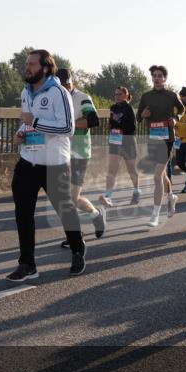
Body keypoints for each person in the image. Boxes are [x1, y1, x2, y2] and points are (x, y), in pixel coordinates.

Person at [7, 50, 86, 282]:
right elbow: (27, 124)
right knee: (23, 214)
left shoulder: (59, 93)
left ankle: (77, 248)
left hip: (55, 164)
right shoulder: (26, 92)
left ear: (45, 67)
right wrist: (20, 134)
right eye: (26, 64)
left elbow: (68, 128)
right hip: (27, 162)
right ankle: (27, 264)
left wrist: (35, 122)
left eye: (32, 64)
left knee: (65, 211)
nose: (27, 67)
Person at [57, 69, 106, 246]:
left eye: (67, 84)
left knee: (72, 198)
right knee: (64, 199)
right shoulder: (55, 98)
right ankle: (82, 227)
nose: (65, 88)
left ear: (72, 82)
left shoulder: (82, 98)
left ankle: (93, 218)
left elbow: (93, 120)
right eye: (62, 86)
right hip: (60, 153)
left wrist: (68, 125)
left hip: (79, 153)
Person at [137, 65, 185, 228]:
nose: (156, 78)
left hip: (167, 139)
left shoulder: (171, 95)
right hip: (153, 139)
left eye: (159, 76)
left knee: (157, 176)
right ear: (152, 78)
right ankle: (171, 196)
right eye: (154, 75)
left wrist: (176, 118)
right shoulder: (146, 96)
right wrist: (143, 115)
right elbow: (138, 117)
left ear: (165, 78)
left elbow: (182, 109)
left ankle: (155, 214)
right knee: (162, 174)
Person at [100, 86, 141, 207]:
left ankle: (136, 191)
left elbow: (132, 127)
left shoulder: (128, 108)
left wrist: (118, 123)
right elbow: (111, 123)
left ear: (126, 95)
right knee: (111, 168)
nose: (117, 96)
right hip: (115, 140)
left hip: (128, 141)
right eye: (115, 94)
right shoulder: (113, 107)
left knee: (131, 169)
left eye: (119, 94)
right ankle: (108, 196)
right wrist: (111, 126)